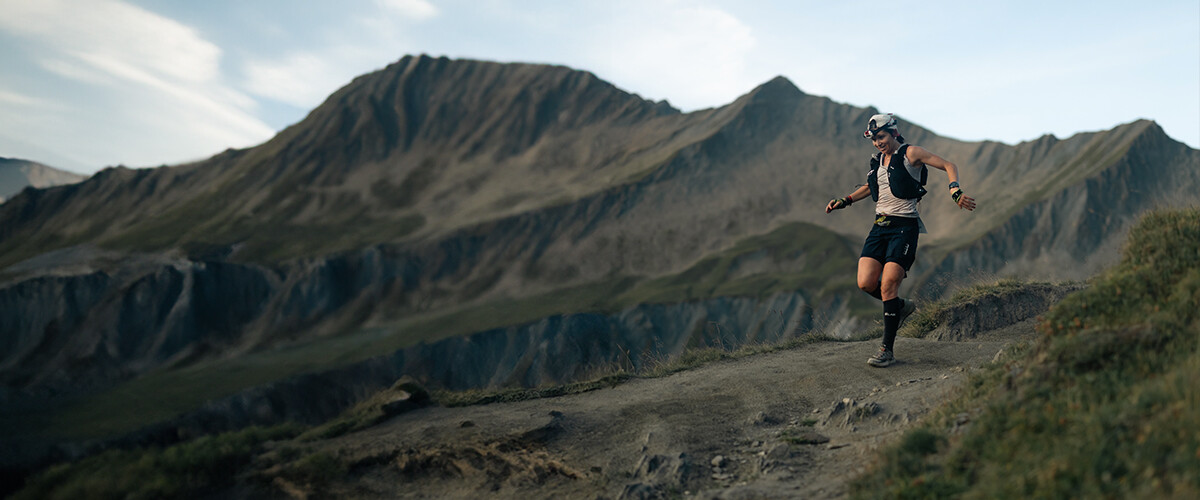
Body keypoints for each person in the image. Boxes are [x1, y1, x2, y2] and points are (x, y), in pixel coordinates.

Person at [825, 113, 976, 367]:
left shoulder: (911, 153)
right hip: (879, 227)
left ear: (893, 132)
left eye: (881, 137)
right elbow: (869, 186)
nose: (877, 142)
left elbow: (949, 165)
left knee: (888, 285)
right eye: (874, 139)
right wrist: (845, 200)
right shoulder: (877, 161)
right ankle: (901, 307)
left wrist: (955, 189)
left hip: (905, 227)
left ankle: (887, 350)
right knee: (865, 282)